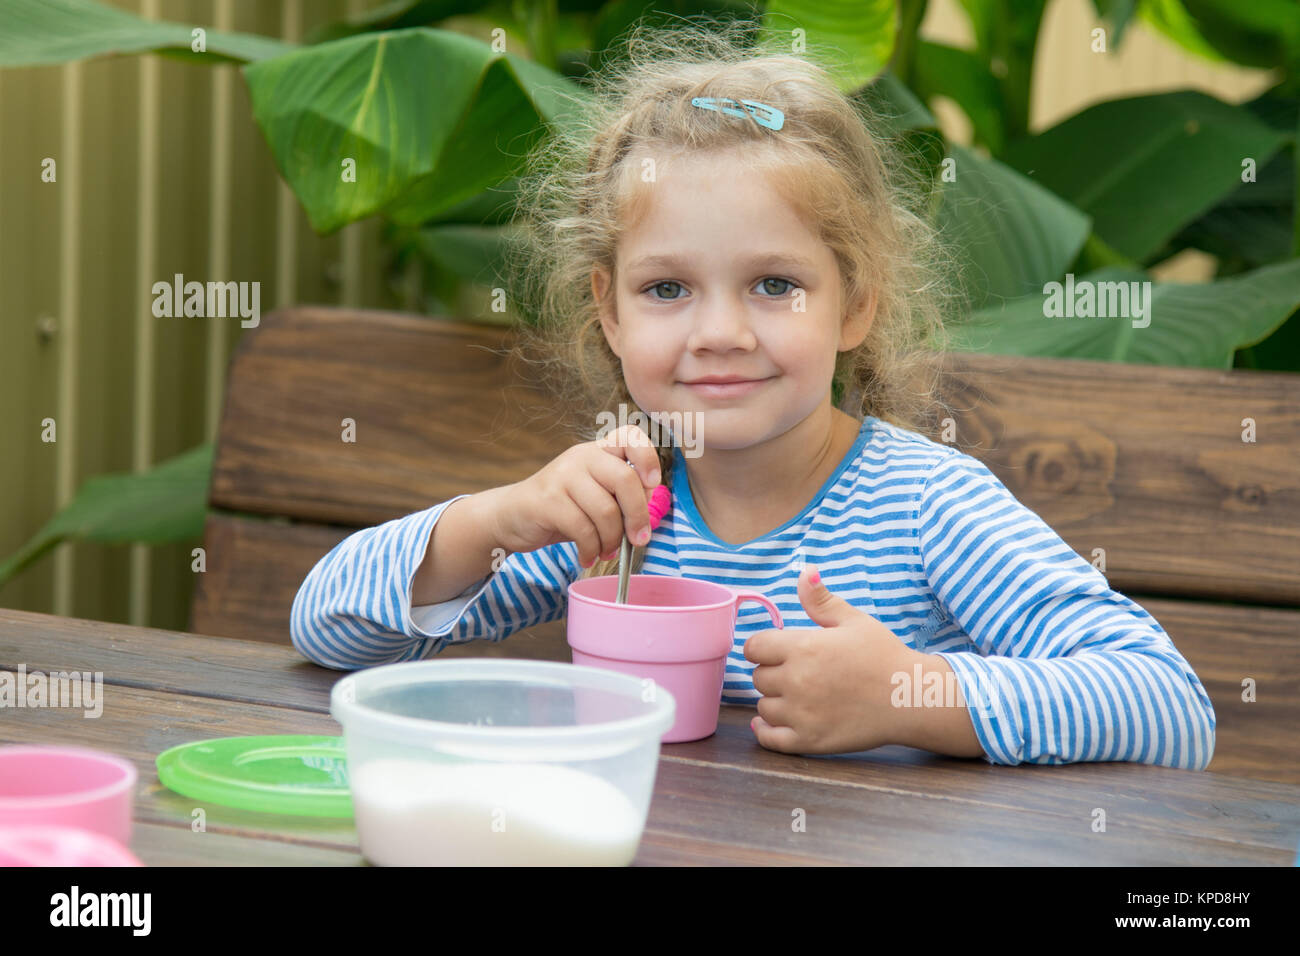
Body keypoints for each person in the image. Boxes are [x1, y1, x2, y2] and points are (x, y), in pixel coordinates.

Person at [291, 21, 1215, 768]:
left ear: (854, 304)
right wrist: (495, 522)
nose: (721, 332)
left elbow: (1167, 703)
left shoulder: (925, 508)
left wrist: (913, 694)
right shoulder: (621, 516)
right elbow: (325, 627)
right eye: (666, 289)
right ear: (607, 315)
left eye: (775, 284)